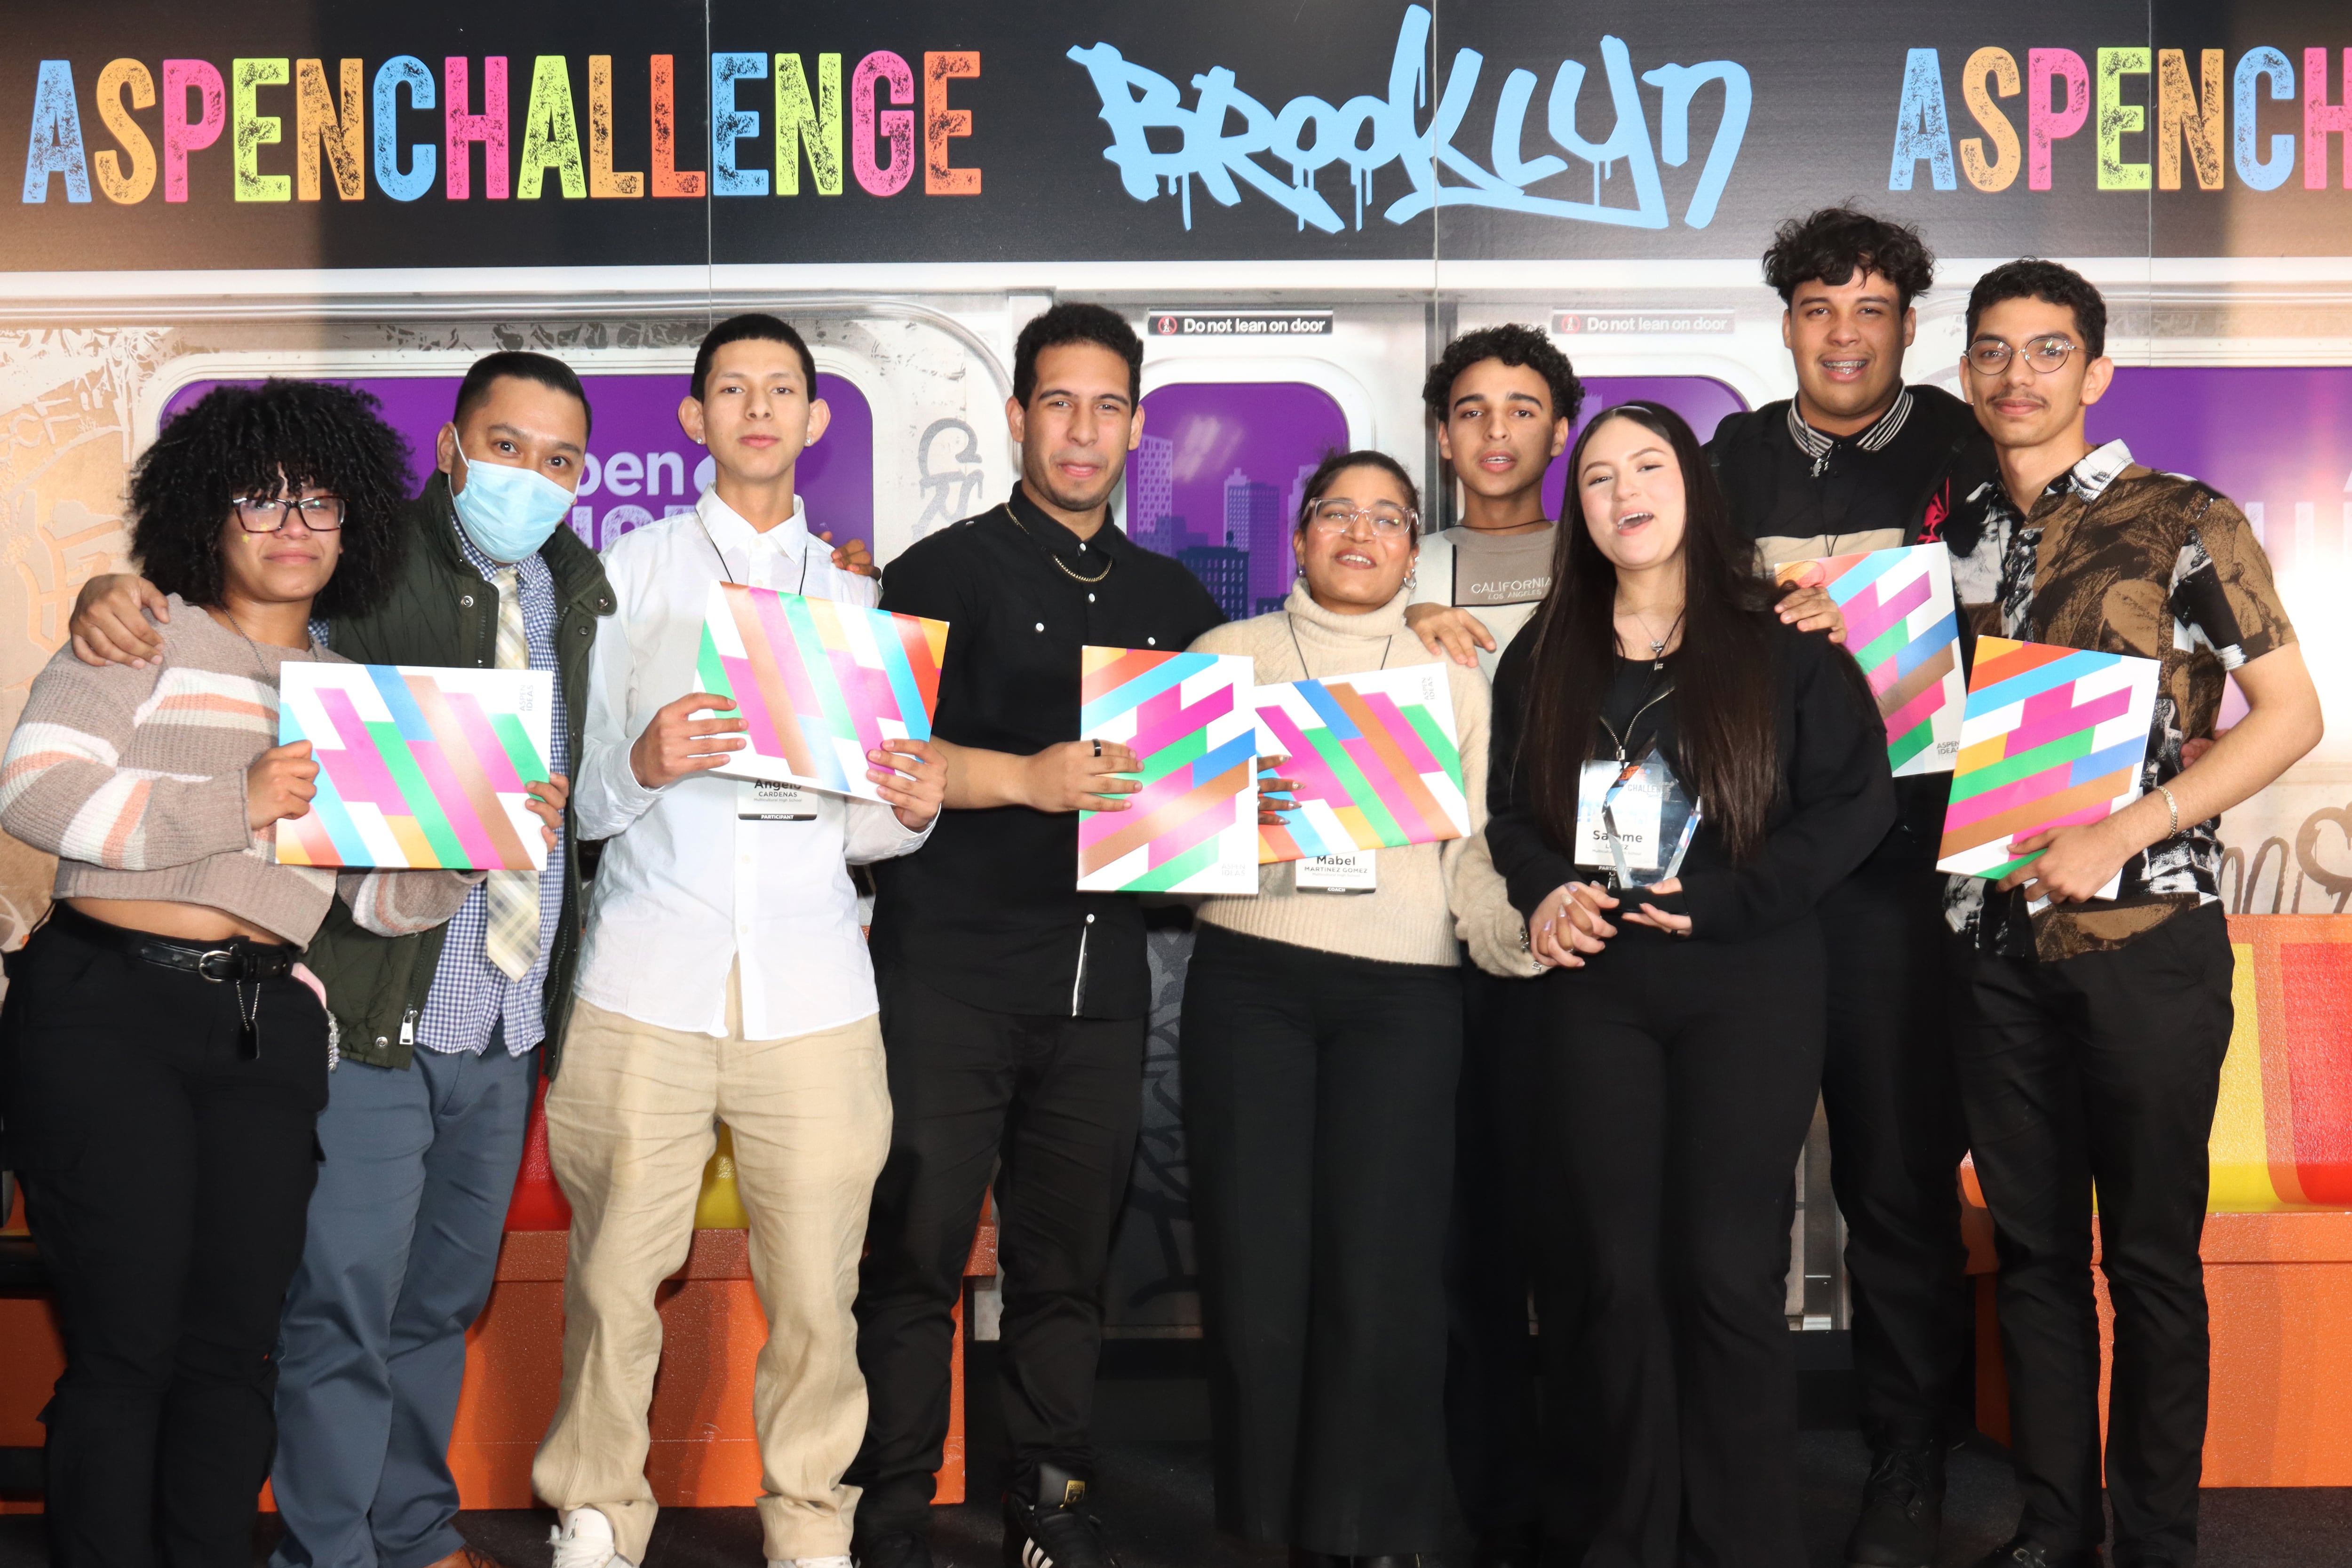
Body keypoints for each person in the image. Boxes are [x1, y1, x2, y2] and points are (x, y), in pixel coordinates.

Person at [68, 352, 614, 1568]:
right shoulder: (364, 564)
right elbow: (229, 601)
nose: (531, 476)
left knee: (439, 1302)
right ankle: (332, 1550)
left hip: (507, 1016)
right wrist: (116, 589)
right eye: (507, 445)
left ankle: (409, 1529)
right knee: (343, 1303)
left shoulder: (585, 590)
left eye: (561, 458)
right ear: (453, 446)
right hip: (373, 1005)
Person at [0, 380, 503, 1568]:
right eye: (261, 498)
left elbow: (362, 902)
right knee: (128, 1343)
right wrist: (238, 798)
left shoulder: (353, 698)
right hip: (105, 1009)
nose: (292, 524)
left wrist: (465, 851)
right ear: (206, 516)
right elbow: (34, 794)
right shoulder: (139, 631)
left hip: (264, 1028)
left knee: (236, 1345)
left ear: (355, 526)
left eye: (319, 502)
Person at [531, 315, 946, 1568]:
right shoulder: (629, 569)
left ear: (819, 421)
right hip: (648, 966)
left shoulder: (864, 595)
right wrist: (644, 762)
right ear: (695, 418)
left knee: (820, 1288)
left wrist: (912, 806)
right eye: (730, 388)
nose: (757, 408)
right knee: (613, 1274)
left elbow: (865, 830)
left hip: (816, 980)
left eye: (783, 390)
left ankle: (811, 1515)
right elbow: (580, 796)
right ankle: (597, 1502)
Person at [1939, 262, 2320, 1568]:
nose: (2017, 376)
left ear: (2096, 372)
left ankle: (2158, 1540)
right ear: (1968, 369)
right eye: (1993, 351)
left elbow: (2292, 715)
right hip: (1993, 950)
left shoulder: (2184, 519)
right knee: (2036, 1259)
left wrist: (2128, 826)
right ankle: (2059, 1529)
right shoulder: (1960, 530)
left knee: (2150, 1261)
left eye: (2048, 352)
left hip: (2148, 942)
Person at [847, 303, 1224, 1568]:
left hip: (1102, 983)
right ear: (1016, 416)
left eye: (1109, 405)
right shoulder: (936, 573)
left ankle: (1051, 1500)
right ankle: (893, 1506)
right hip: (946, 968)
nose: (1083, 428)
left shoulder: (1175, 599)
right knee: (916, 1250)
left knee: (1068, 1267)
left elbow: (1200, 801)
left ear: (1135, 425)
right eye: (1058, 402)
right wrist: (1029, 777)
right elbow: (887, 766)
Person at [1486, 402, 1894, 1566]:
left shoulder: (1782, 638)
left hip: (1748, 980)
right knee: (1610, 1274)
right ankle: (1621, 1537)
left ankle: (1744, 1539)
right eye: (1600, 476)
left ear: (1693, 487)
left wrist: (1732, 900)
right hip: (1596, 986)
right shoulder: (1547, 647)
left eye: (1648, 466)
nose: (1624, 492)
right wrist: (1545, 891)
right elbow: (1511, 816)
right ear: (1583, 510)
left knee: (1723, 1271)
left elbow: (1853, 804)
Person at [1179, 450, 1535, 1568]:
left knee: (1382, 1273)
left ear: (1410, 548)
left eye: (1389, 519)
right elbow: (1166, 858)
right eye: (1338, 512)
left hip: (1406, 995)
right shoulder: (1224, 657)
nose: (1361, 534)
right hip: (1251, 980)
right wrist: (1239, 815)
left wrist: (1514, 935)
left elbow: (1473, 847)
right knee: (1257, 1268)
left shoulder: (1449, 678)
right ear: (1298, 535)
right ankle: (1265, 1524)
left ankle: (1373, 1527)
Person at [1704, 208, 1996, 1568]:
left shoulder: (1960, 445)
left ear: (1907, 325)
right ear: (1786, 323)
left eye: (1870, 308)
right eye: (1820, 307)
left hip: (1902, 870)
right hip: (1760, 873)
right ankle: (1729, 1452)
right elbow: (1678, 617)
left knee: (1895, 1178)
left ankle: (1909, 1448)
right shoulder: (1737, 456)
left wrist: (1870, 608)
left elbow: (2015, 609)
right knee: (1735, 1179)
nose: (1843, 333)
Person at [1399, 325, 1578, 1568]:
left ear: (1561, 430)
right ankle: (1493, 1498)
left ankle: (1592, 1491)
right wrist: (1399, 621)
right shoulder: (1401, 565)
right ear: (1444, 432)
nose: (1498, 430)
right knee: (1470, 1240)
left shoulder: (1619, 549)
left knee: (1591, 1237)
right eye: (1472, 410)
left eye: (1523, 408)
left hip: (1594, 932)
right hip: (1441, 938)